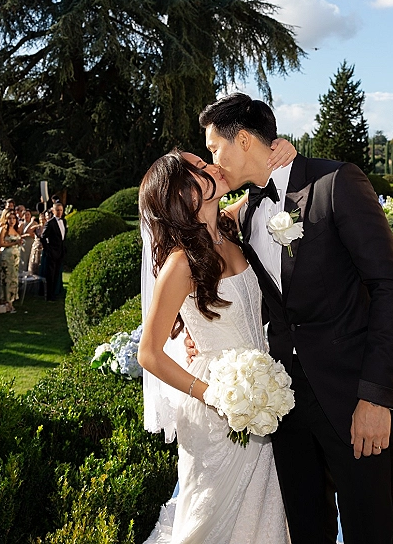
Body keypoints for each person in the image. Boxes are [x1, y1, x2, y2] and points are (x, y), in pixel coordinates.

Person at [196, 93, 393, 544]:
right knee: (303, 532)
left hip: (353, 400)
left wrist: (377, 397)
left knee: (370, 532)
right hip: (286, 408)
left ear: (243, 140)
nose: (211, 160)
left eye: (215, 148)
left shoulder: (336, 182)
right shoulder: (247, 211)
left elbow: (390, 288)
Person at [138, 149, 290, 544]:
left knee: (264, 512)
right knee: (212, 520)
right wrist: (216, 396)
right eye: (201, 168)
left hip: (264, 392)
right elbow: (148, 353)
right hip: (217, 405)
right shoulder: (180, 263)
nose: (213, 166)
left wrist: (282, 148)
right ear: (184, 194)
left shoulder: (228, 227)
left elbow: (266, 180)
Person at [0, 208, 22, 313]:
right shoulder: (3, 229)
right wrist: (14, 243)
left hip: (15, 258)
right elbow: (0, 244)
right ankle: (6, 301)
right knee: (6, 278)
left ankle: (12, 299)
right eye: (9, 218)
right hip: (6, 257)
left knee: (13, 278)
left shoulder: (16, 229)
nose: (12, 220)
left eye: (13, 218)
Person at [40, 201, 67, 300]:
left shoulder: (64, 221)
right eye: (57, 210)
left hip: (60, 251)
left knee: (57, 273)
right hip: (52, 252)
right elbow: (43, 237)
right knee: (50, 274)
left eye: (61, 210)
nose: (59, 212)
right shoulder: (50, 223)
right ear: (53, 211)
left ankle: (55, 293)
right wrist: (48, 250)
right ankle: (49, 295)